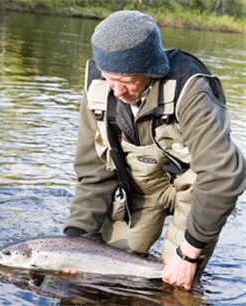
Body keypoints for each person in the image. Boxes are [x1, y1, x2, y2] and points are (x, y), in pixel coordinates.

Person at [63, 10, 246, 290]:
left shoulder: (191, 90)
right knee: (105, 275)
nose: (117, 91)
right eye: (109, 78)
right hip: (140, 189)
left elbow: (224, 175)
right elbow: (93, 173)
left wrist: (189, 252)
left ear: (151, 70)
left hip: (196, 190)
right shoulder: (99, 91)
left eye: (126, 80)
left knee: (176, 283)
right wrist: (76, 239)